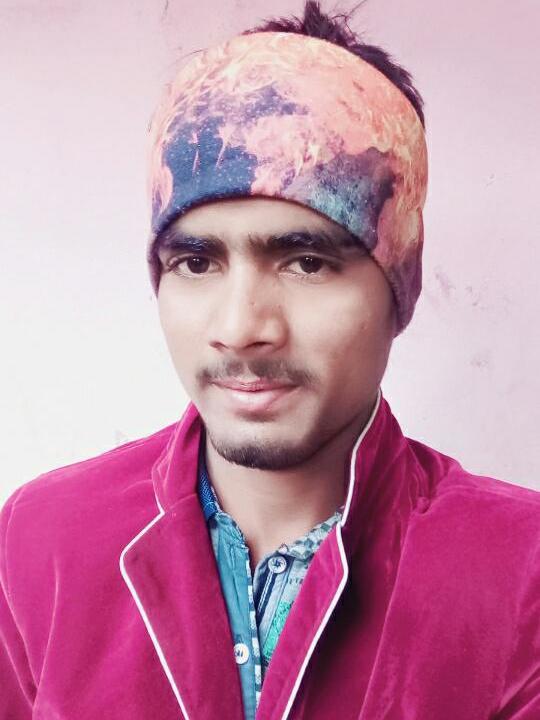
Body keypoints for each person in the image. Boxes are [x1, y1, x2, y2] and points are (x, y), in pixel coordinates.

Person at [1, 2, 538, 719]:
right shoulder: (42, 540)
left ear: (398, 284)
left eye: (306, 261)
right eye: (196, 262)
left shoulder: (521, 570)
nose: (239, 328)